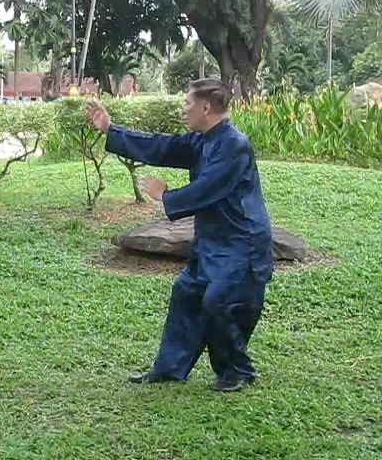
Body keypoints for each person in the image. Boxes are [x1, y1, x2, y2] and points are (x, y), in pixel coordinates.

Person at [86, 78, 273, 392]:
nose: (183, 108)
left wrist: (167, 196)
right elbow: (161, 146)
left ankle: (237, 369)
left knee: (218, 303)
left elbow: (208, 188)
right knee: (186, 294)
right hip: (212, 241)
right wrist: (111, 129)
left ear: (206, 107)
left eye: (187, 103)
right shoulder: (202, 140)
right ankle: (170, 368)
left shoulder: (233, 144)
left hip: (242, 244)